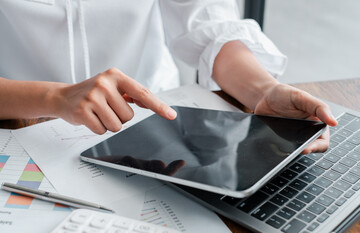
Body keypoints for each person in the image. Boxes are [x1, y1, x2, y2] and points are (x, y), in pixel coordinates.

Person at [0, 0, 337, 154]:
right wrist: (54, 98)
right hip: (20, 122)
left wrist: (264, 91)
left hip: (152, 119)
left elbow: (206, 21)